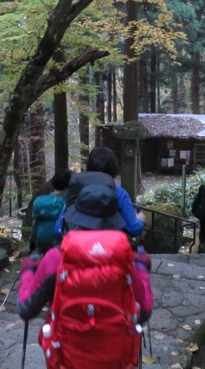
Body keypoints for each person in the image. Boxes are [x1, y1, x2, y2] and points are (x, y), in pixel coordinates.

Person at [17, 184, 153, 369]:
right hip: (115, 359)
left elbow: (26, 309)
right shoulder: (125, 259)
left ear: (75, 219)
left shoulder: (56, 258)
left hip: (65, 358)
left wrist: (28, 272)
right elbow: (144, 311)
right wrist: (141, 269)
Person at [56, 146, 146, 237]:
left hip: (75, 246)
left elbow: (59, 226)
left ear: (89, 165)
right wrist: (140, 219)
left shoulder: (75, 188)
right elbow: (133, 228)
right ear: (114, 168)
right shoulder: (118, 192)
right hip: (108, 247)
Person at [29, 170, 71, 254]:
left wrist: (32, 242)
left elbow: (35, 223)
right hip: (58, 242)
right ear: (68, 185)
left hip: (41, 240)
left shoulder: (40, 200)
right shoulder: (66, 202)